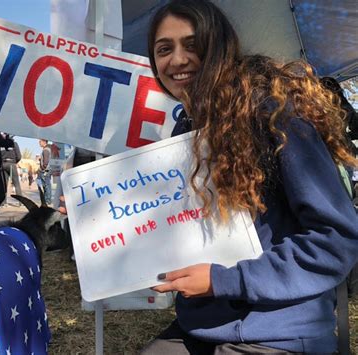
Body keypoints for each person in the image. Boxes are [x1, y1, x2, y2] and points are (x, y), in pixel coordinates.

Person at [141, 1, 358, 354]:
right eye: (164, 49)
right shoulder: (185, 128)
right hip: (205, 324)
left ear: (219, 46)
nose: (177, 60)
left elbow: (336, 237)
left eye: (192, 45)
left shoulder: (274, 115)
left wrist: (224, 280)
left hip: (280, 331)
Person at [1, 135, 23, 204]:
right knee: (16, 183)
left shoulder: (1, 144)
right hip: (12, 164)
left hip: (3, 164)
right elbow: (19, 156)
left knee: (4, 184)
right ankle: (20, 202)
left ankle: (3, 202)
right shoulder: (14, 144)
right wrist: (14, 162)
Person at [37, 139, 52, 205]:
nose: (39, 143)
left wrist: (42, 168)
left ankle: (47, 200)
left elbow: (46, 162)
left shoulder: (46, 150)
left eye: (40, 141)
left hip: (45, 170)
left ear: (44, 142)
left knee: (46, 185)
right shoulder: (47, 149)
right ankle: (47, 200)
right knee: (46, 185)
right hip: (47, 170)